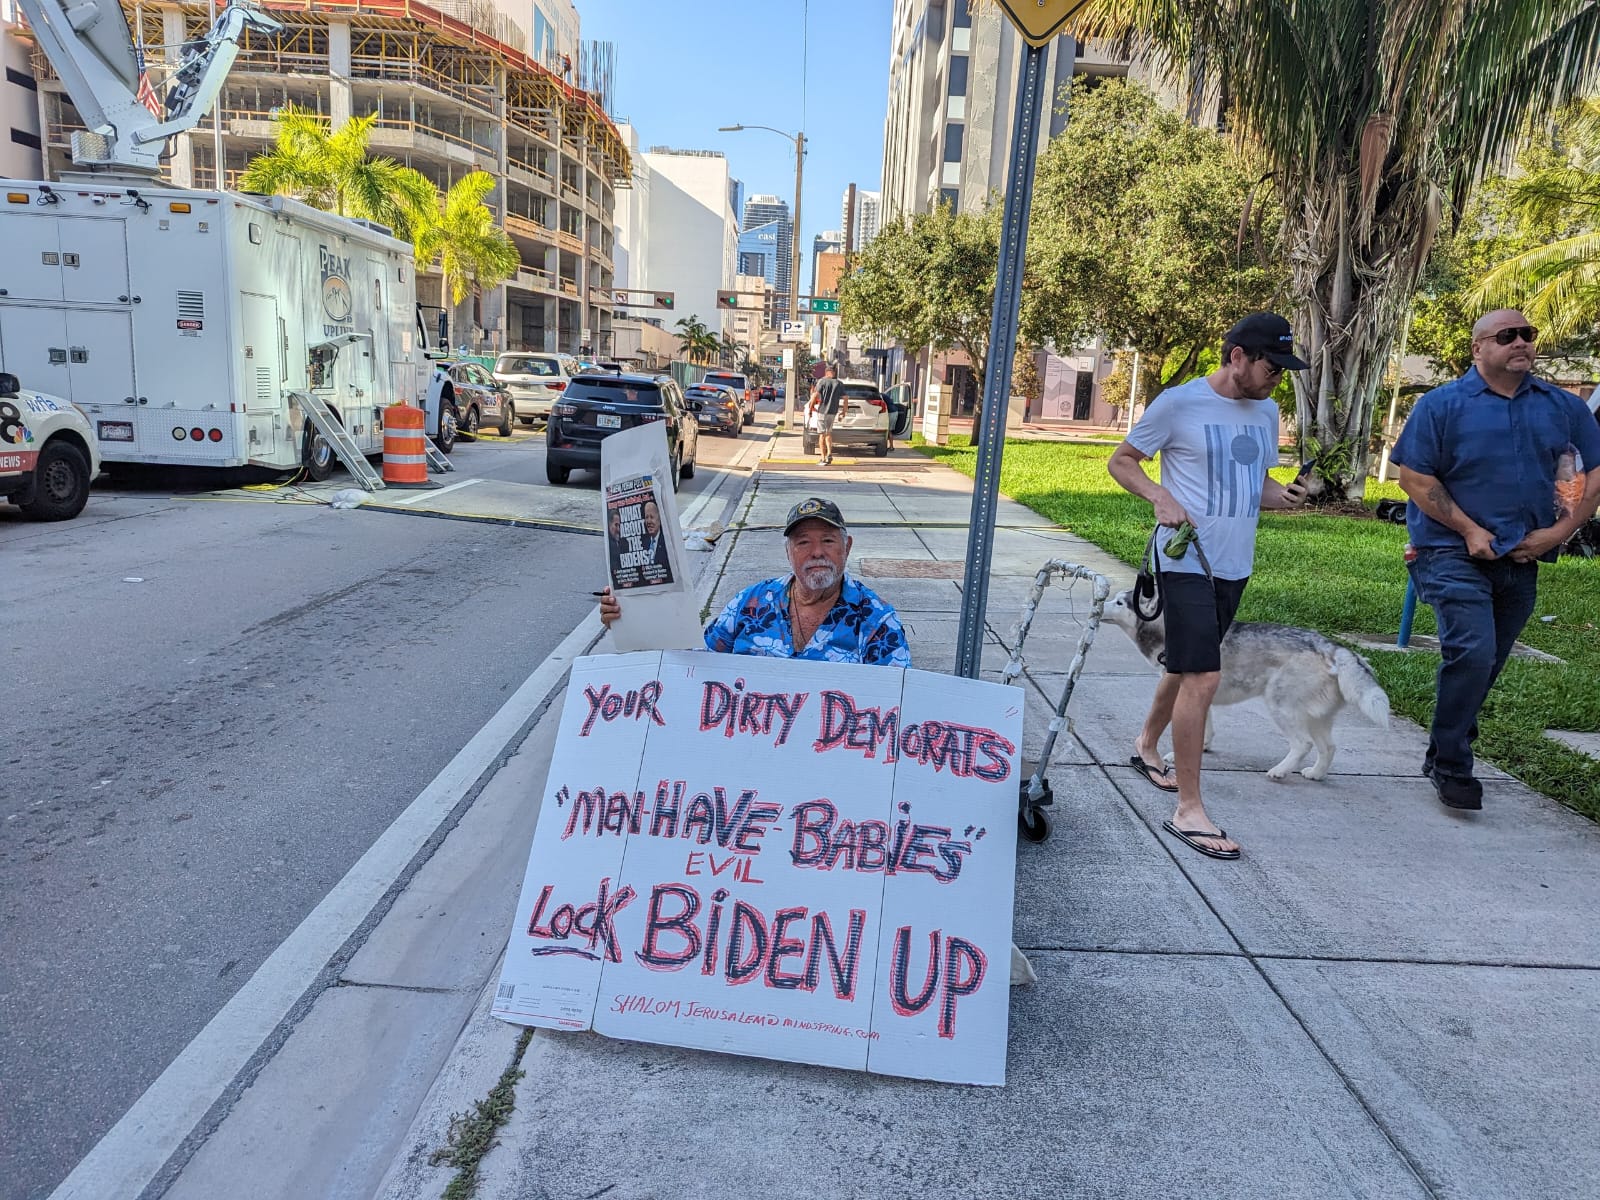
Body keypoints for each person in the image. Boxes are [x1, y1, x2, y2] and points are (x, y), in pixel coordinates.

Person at [1106, 312, 1310, 860]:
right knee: (1203, 675)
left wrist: (1280, 497)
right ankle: (1189, 809)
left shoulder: (1266, 411)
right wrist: (1159, 497)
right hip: (1183, 559)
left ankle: (1146, 744)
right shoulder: (1179, 402)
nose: (1277, 378)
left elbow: (1254, 482)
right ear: (1238, 355)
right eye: (1272, 366)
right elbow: (1122, 461)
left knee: (1183, 664)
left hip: (1233, 564)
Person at [1391, 308, 1600, 811]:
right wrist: (1468, 529)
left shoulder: (1562, 407)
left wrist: (1558, 533)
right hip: (1448, 551)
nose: (1522, 343)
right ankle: (1452, 765)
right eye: (1507, 336)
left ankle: (1446, 742)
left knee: (1488, 661)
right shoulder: (1441, 405)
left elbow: (1592, 477)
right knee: (1473, 650)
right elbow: (1414, 479)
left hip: (1524, 556)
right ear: (1477, 348)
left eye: (1528, 334)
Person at [600, 497, 910, 666]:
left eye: (828, 541)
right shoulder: (750, 604)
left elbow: (899, 705)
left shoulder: (877, 622)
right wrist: (631, 617)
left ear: (847, 547)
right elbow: (693, 660)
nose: (817, 552)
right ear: (788, 553)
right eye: (803, 543)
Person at [807, 364, 848, 466]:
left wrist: (811, 408)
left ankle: (823, 457)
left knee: (821, 435)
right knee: (828, 433)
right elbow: (846, 398)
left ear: (826, 372)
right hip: (833, 412)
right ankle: (829, 453)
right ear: (834, 372)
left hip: (822, 411)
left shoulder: (822, 381)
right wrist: (844, 411)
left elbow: (815, 395)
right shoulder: (839, 383)